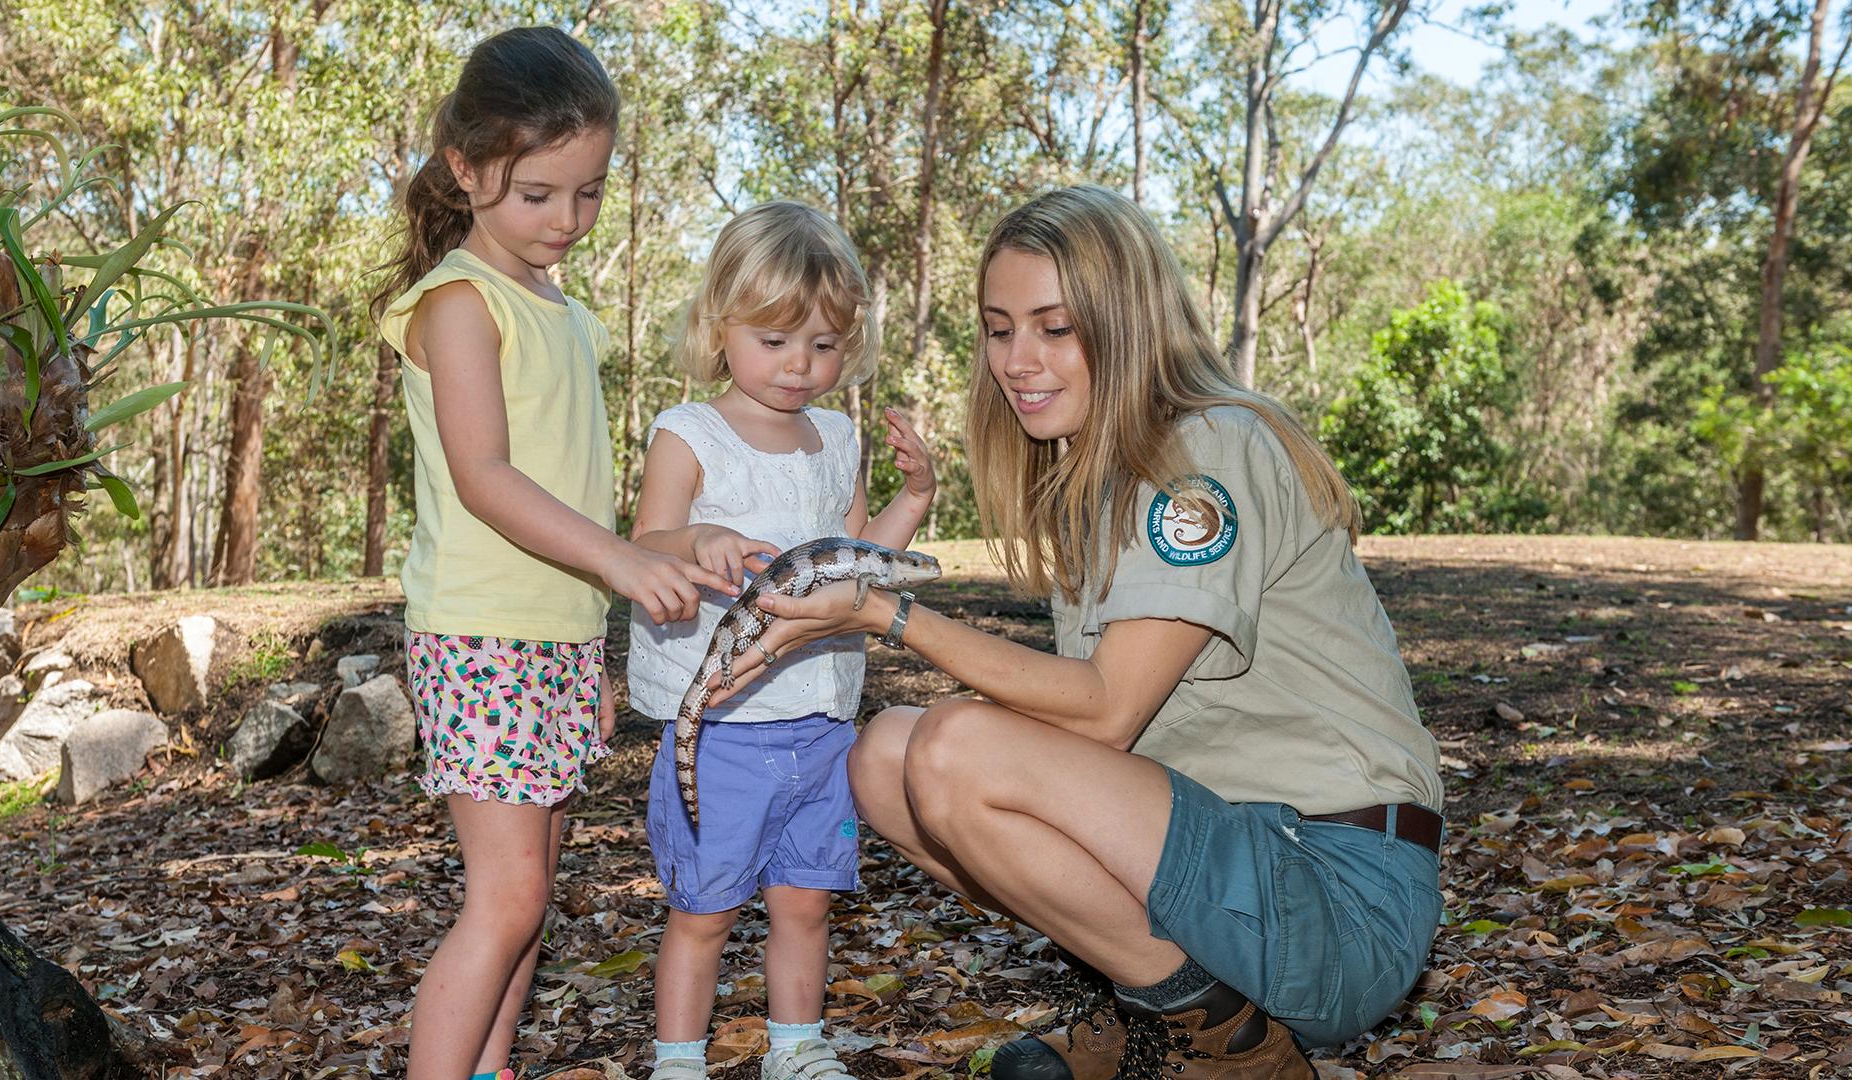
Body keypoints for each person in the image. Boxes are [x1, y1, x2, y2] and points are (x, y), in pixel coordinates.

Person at [710, 185, 1444, 1079]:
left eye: (1056, 329)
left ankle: (1227, 1043)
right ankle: (1156, 1002)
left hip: (1334, 892)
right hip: (1230, 864)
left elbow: (1103, 715)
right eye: (999, 328)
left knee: (949, 746)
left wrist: (884, 610)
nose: (1018, 360)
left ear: (1127, 323)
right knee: (884, 756)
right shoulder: (1097, 481)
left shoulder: (1206, 451)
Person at [371, 27, 732, 1080]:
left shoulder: (560, 309)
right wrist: (622, 564)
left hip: (552, 639)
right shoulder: (457, 303)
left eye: (588, 192)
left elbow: (571, 495)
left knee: (533, 895)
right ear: (467, 168)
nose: (567, 220)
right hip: (478, 633)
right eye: (539, 193)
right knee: (509, 895)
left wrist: (604, 632)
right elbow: (485, 477)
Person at [627, 202, 937, 1080]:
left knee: (805, 902)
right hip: (721, 724)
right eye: (775, 341)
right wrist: (697, 542)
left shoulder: (835, 436)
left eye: (826, 346)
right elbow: (645, 542)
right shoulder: (691, 433)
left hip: (821, 721)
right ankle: (679, 1060)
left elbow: (861, 565)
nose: (802, 365)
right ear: (719, 327)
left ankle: (796, 1050)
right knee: (705, 907)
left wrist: (913, 498)